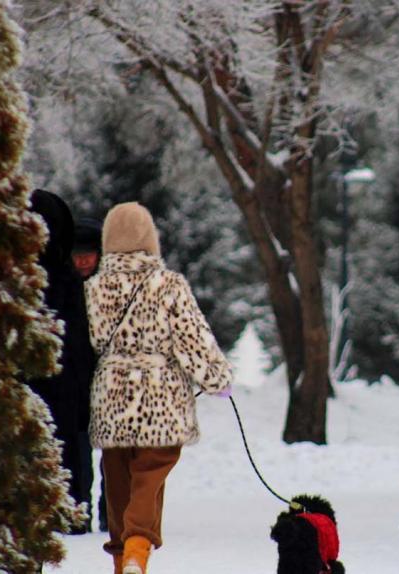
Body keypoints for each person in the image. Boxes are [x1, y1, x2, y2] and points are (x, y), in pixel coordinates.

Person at [85, 202, 232, 574]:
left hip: (112, 396)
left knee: (116, 478)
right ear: (150, 239)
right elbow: (192, 337)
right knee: (150, 473)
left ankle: (123, 562)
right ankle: (137, 548)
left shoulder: (94, 288)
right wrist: (216, 378)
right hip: (161, 398)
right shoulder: (168, 285)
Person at [27, 189, 98, 533]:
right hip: (68, 384)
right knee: (72, 446)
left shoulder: (16, 275)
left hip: (26, 384)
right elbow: (80, 341)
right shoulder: (67, 278)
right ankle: (73, 513)